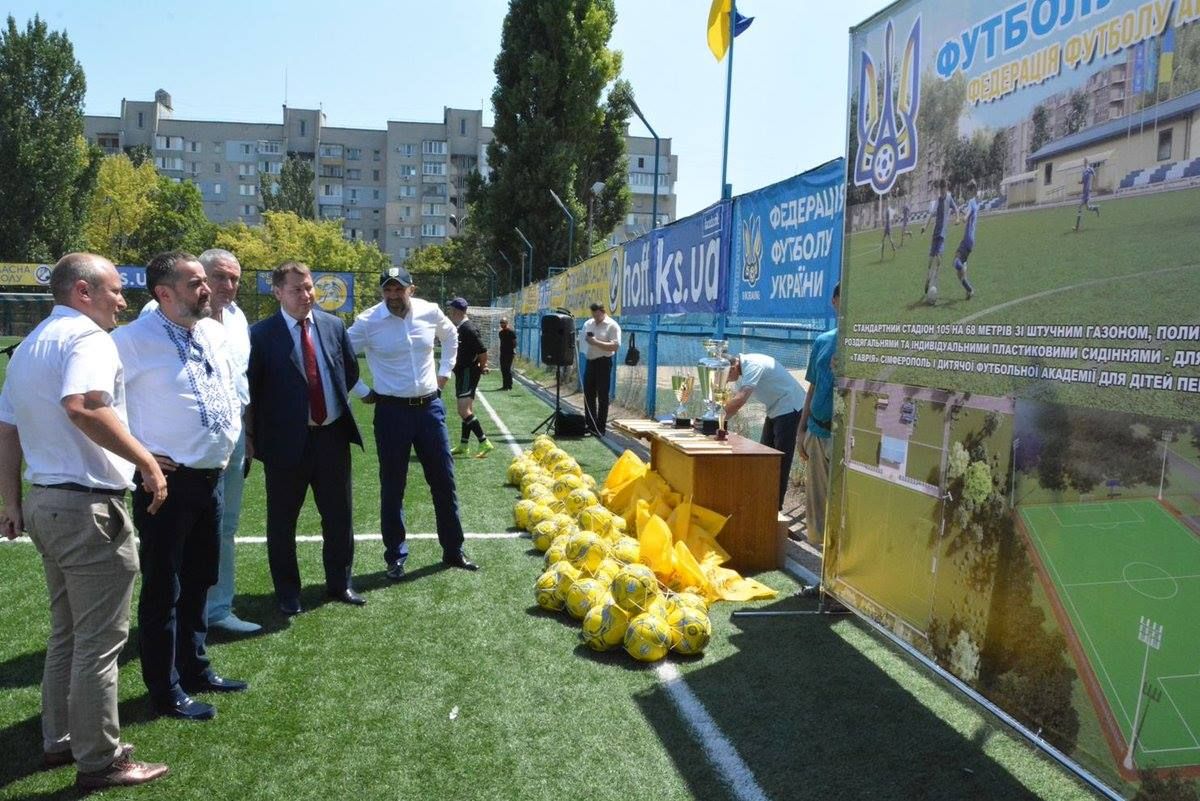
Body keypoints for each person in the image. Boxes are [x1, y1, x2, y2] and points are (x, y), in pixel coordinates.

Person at [0, 254, 170, 789]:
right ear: (83, 291)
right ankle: (101, 759)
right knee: (99, 643)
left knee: (68, 634)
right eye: (116, 290)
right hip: (87, 507)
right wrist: (145, 461)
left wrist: (10, 500)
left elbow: (7, 429)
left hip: (46, 501)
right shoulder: (90, 340)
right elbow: (82, 405)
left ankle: (61, 740)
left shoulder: (29, 346)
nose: (123, 299)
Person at [114, 251, 247, 722]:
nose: (206, 288)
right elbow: (100, 407)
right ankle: (164, 688)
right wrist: (140, 460)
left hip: (210, 478)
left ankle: (195, 668)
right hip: (165, 486)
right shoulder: (130, 340)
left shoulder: (212, 330)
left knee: (198, 581)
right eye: (194, 283)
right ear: (163, 293)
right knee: (163, 591)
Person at [137, 250, 258, 633]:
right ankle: (174, 623)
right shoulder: (150, 320)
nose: (226, 286)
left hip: (227, 442)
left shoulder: (236, 320)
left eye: (234, 278)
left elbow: (238, 383)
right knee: (173, 546)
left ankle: (217, 610)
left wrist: (246, 433)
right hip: (175, 455)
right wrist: (140, 452)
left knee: (225, 526)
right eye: (218, 277)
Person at [247, 261, 365, 615]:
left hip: (331, 438)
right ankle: (287, 592)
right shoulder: (260, 335)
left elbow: (349, 369)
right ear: (278, 292)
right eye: (297, 289)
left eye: (310, 287)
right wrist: (253, 436)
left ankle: (340, 582)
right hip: (285, 445)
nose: (306, 294)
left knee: (339, 516)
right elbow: (251, 391)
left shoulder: (333, 325)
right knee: (283, 522)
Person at [348, 266, 479, 581]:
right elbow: (338, 354)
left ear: (412, 289)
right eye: (388, 290)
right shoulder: (368, 321)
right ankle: (395, 556)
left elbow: (451, 337)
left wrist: (445, 372)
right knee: (393, 487)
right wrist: (362, 391)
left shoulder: (429, 312)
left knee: (444, 482)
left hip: (429, 409)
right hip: (391, 413)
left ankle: (453, 550)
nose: (393, 296)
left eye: (399, 289)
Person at [722, 352, 807, 510]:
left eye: (726, 376)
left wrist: (716, 420)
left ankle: (774, 510)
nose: (726, 380)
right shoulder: (740, 372)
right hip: (775, 409)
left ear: (733, 367)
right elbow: (732, 403)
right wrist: (720, 423)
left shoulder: (753, 364)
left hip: (790, 407)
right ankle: (763, 504)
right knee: (765, 458)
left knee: (779, 460)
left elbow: (740, 400)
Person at [799, 282, 839, 550]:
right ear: (834, 301)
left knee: (842, 509)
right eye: (841, 298)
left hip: (843, 440)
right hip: (816, 432)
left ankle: (840, 578)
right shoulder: (823, 341)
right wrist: (802, 431)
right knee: (817, 510)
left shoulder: (866, 345)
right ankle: (821, 576)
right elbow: (812, 386)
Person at [445, 298, 495, 458]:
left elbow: (482, 351)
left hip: (468, 371)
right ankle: (464, 445)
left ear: (457, 311)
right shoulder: (460, 327)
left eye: (451, 309)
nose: (449, 312)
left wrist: (483, 366)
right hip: (461, 372)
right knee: (466, 410)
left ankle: (484, 442)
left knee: (463, 410)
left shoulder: (468, 329)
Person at [580, 302, 621, 436]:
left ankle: (600, 427)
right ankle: (590, 425)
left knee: (603, 396)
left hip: (603, 362)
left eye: (597, 314)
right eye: (593, 314)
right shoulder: (588, 324)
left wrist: (595, 342)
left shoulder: (612, 325)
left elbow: (615, 346)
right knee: (588, 394)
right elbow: (583, 339)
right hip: (590, 361)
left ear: (603, 311)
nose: (595, 318)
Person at [921, 179, 959, 304]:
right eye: (941, 188)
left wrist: (957, 218)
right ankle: (927, 277)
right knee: (931, 260)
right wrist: (924, 227)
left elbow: (956, 209)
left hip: (942, 235)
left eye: (944, 188)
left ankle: (934, 284)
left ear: (946, 188)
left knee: (939, 261)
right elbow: (931, 215)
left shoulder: (949, 198)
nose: (942, 190)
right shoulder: (937, 201)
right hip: (935, 234)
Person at [953, 180, 979, 301]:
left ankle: (970, 289)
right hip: (970, 240)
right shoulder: (975, 204)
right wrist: (962, 211)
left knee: (956, 263)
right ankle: (968, 289)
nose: (967, 193)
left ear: (972, 191)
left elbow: (966, 218)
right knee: (959, 267)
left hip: (968, 239)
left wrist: (961, 218)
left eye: (969, 190)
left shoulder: (971, 202)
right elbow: (970, 214)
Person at [1074, 157, 1101, 232]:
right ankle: (1096, 208)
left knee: (1079, 206)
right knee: (1088, 208)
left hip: (1088, 191)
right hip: (1084, 191)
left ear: (1088, 162)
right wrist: (1080, 182)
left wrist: (1094, 185)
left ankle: (1077, 227)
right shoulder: (1083, 171)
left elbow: (1095, 176)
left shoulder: (1090, 169)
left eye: (1085, 161)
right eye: (1084, 161)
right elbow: (1083, 181)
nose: (1084, 162)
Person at [498, 317, 517, 390]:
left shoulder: (511, 332)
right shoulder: (500, 333)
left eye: (503, 322)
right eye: (501, 323)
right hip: (503, 353)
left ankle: (509, 385)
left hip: (509, 353)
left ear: (507, 323)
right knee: (503, 369)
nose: (502, 324)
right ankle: (504, 385)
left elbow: (514, 343)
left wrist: (512, 350)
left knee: (507, 369)